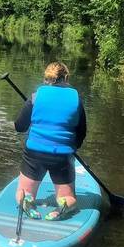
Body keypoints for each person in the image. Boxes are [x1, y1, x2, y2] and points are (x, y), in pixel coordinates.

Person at [14, 61, 87, 220]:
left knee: (23, 193)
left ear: (45, 78)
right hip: (62, 156)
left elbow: (19, 126)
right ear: (66, 78)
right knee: (70, 198)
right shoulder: (76, 99)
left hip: (34, 154)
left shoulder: (35, 96)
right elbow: (81, 133)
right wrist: (73, 148)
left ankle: (26, 200)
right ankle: (64, 205)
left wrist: (32, 115)